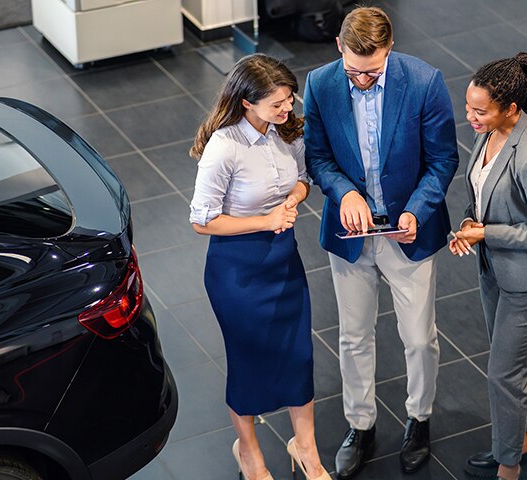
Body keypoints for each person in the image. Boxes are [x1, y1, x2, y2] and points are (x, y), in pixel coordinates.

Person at [303, 6, 459, 478]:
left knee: (417, 337)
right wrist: (344, 191)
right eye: (355, 71)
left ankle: (419, 419)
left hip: (407, 230)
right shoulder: (320, 83)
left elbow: (442, 160)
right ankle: (361, 424)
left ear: (390, 49)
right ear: (339, 49)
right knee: (353, 337)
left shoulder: (425, 82)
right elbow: (317, 155)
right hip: (351, 235)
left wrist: (416, 209)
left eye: (372, 72)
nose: (363, 80)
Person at [188, 53, 329, 480]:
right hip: (238, 273)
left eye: (289, 99)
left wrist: (294, 197)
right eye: (277, 104)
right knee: (250, 361)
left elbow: (305, 176)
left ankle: (306, 446)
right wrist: (265, 220)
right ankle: (248, 452)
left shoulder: (285, 131)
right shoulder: (223, 147)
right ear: (247, 103)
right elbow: (201, 220)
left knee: (298, 355)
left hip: (284, 263)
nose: (288, 110)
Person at [449, 52, 527, 480]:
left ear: (511, 109)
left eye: (479, 111)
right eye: (468, 107)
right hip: (495, 268)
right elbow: (483, 194)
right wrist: (470, 221)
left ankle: (508, 466)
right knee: (520, 362)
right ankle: (523, 441)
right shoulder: (492, 133)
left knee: (504, 372)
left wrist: (488, 234)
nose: (470, 117)